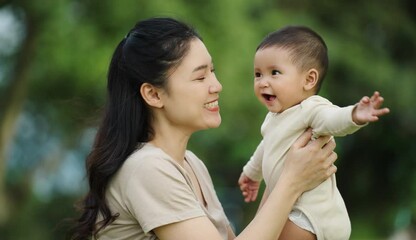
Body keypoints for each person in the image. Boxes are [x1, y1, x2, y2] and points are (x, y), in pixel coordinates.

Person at [70, 18, 339, 240]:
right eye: (200, 77)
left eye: (213, 71)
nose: (216, 85)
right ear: (153, 94)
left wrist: (285, 165)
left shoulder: (191, 165)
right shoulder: (147, 168)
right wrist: (291, 182)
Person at [238, 25, 390, 240]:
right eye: (257, 74)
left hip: (309, 215)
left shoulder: (311, 108)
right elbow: (266, 147)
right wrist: (252, 173)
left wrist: (354, 115)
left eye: (275, 73)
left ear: (309, 80)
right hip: (292, 208)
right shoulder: (275, 118)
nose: (263, 82)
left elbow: (332, 119)